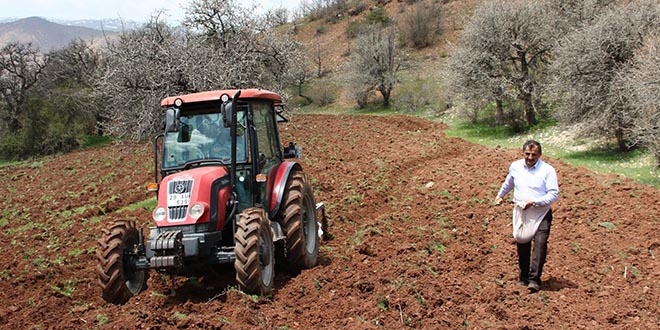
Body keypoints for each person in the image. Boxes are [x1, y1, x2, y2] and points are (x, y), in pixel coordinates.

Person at [494, 140, 559, 293]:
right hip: (522, 211)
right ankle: (523, 276)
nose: (530, 157)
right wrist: (500, 195)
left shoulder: (548, 170)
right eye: (527, 154)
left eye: (534, 155)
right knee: (522, 241)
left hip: (541, 212)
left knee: (540, 245)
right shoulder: (515, 166)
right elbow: (509, 182)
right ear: (523, 153)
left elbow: (554, 193)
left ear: (540, 155)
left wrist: (535, 202)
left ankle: (534, 280)